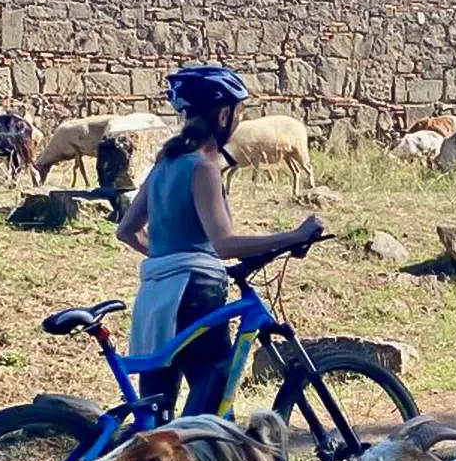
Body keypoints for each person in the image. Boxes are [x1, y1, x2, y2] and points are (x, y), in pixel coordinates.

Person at [115, 66, 324, 423]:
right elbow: (224, 243)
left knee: (155, 418)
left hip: (154, 297)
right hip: (195, 294)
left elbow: (127, 231)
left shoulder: (165, 164)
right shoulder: (204, 168)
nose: (240, 120)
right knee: (209, 405)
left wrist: (170, 256)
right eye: (239, 112)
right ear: (223, 114)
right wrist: (294, 236)